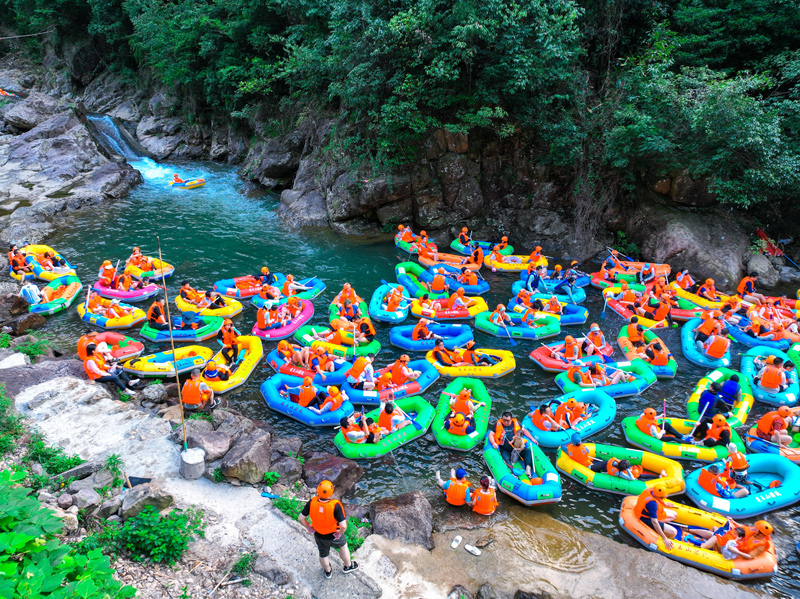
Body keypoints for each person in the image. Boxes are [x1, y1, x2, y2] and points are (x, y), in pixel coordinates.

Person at [299, 480, 359, 578]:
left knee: (323, 554)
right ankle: (348, 566)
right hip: (334, 534)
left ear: (318, 490)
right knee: (343, 547)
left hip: (319, 534)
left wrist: (308, 526)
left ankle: (328, 571)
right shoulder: (335, 505)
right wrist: (339, 533)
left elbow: (301, 518)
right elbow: (343, 526)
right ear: (331, 492)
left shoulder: (312, 502)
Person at [489, 412, 538, 477]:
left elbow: (524, 431)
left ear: (511, 419)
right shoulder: (498, 424)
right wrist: (493, 443)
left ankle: (528, 469)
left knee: (528, 452)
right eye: (504, 420)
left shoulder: (516, 423)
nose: (506, 422)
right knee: (506, 458)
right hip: (505, 449)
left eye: (507, 421)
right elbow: (491, 434)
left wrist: (532, 439)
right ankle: (512, 473)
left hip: (516, 447)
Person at [633, 484, 679, 550]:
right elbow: (654, 522)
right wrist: (664, 538)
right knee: (673, 532)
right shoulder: (652, 504)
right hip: (645, 518)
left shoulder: (653, 490)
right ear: (661, 497)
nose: (667, 495)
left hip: (647, 511)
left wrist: (665, 504)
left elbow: (657, 498)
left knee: (674, 515)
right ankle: (660, 531)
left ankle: (662, 525)